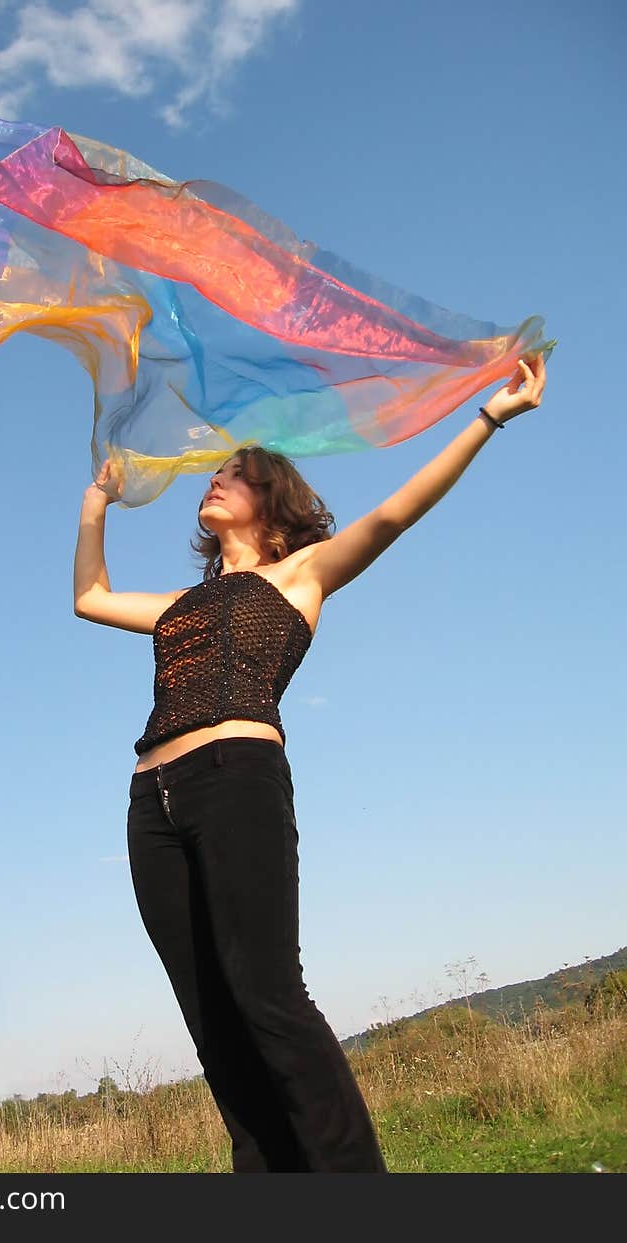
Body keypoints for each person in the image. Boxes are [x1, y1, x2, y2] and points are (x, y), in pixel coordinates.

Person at [72, 355, 547, 1172]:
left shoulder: (301, 573)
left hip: (237, 780)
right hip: (151, 803)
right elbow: (90, 597)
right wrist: (96, 501)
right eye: (215, 473)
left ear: (274, 504)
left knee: (267, 997)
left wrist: (489, 417)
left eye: (236, 475)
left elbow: (395, 515)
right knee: (211, 1019)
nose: (216, 481)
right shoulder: (180, 606)